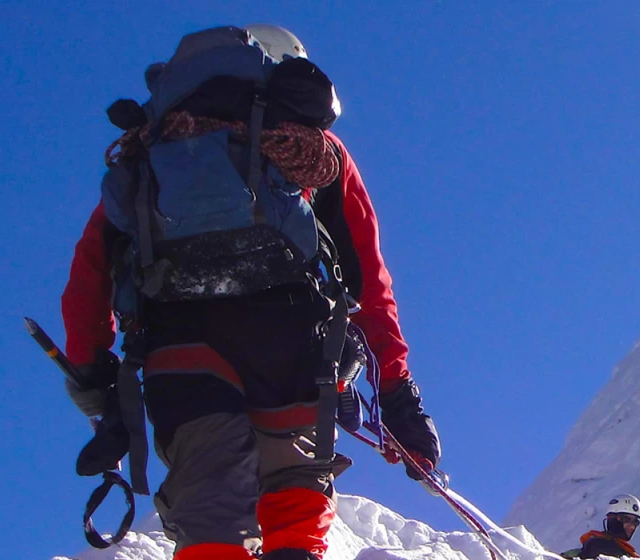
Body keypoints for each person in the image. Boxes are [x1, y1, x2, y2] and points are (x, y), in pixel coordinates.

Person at [60, 25, 440, 560]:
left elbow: (90, 273)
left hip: (178, 342)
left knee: (209, 511)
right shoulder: (310, 150)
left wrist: (97, 386)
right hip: (291, 341)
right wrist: (398, 393)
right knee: (292, 493)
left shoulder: (148, 154)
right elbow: (369, 282)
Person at [571, 494, 640, 559]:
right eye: (626, 519)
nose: (632, 526)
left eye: (635, 522)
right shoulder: (601, 546)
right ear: (612, 518)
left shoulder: (625, 551)